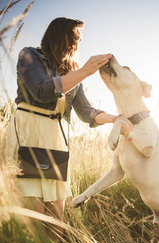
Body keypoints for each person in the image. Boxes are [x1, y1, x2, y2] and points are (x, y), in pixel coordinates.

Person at [1, 17, 132, 231]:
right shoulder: (29, 55)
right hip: (28, 136)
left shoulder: (72, 71)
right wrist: (84, 72)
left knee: (56, 221)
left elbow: (85, 111)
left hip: (55, 143)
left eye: (79, 37)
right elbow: (41, 91)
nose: (78, 41)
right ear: (58, 35)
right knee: (33, 217)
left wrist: (115, 119)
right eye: (74, 35)